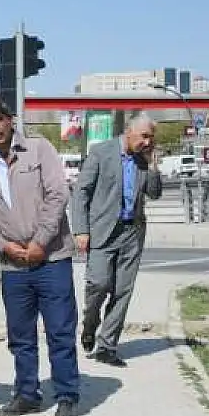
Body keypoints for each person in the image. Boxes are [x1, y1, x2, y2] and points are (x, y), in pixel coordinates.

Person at [0, 96, 80, 416]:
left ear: (10, 119)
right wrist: (3, 246)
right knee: (20, 336)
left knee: (60, 330)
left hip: (51, 259)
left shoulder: (38, 149)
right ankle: (27, 394)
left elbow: (58, 194)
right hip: (13, 265)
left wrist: (39, 242)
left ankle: (67, 396)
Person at [71, 113, 162, 367]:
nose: (147, 142)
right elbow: (81, 193)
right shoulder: (101, 153)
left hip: (132, 232)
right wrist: (80, 229)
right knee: (98, 284)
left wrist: (153, 165)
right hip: (102, 231)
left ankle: (107, 346)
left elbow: (154, 194)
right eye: (144, 136)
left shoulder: (144, 159)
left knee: (123, 291)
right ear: (129, 131)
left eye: (151, 138)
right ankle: (90, 325)